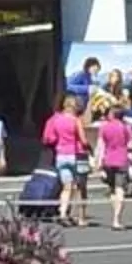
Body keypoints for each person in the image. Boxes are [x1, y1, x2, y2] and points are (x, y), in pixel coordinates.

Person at [41, 95, 89, 226]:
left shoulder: (56, 120)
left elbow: (50, 138)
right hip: (73, 154)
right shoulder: (75, 120)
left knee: (66, 186)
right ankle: (68, 212)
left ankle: (62, 212)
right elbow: (83, 140)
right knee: (75, 186)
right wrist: (89, 147)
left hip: (60, 155)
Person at [95, 100, 132, 230]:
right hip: (122, 160)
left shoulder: (104, 126)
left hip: (108, 160)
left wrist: (98, 161)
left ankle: (115, 213)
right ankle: (117, 218)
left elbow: (100, 145)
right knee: (120, 189)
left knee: (112, 188)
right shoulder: (126, 127)